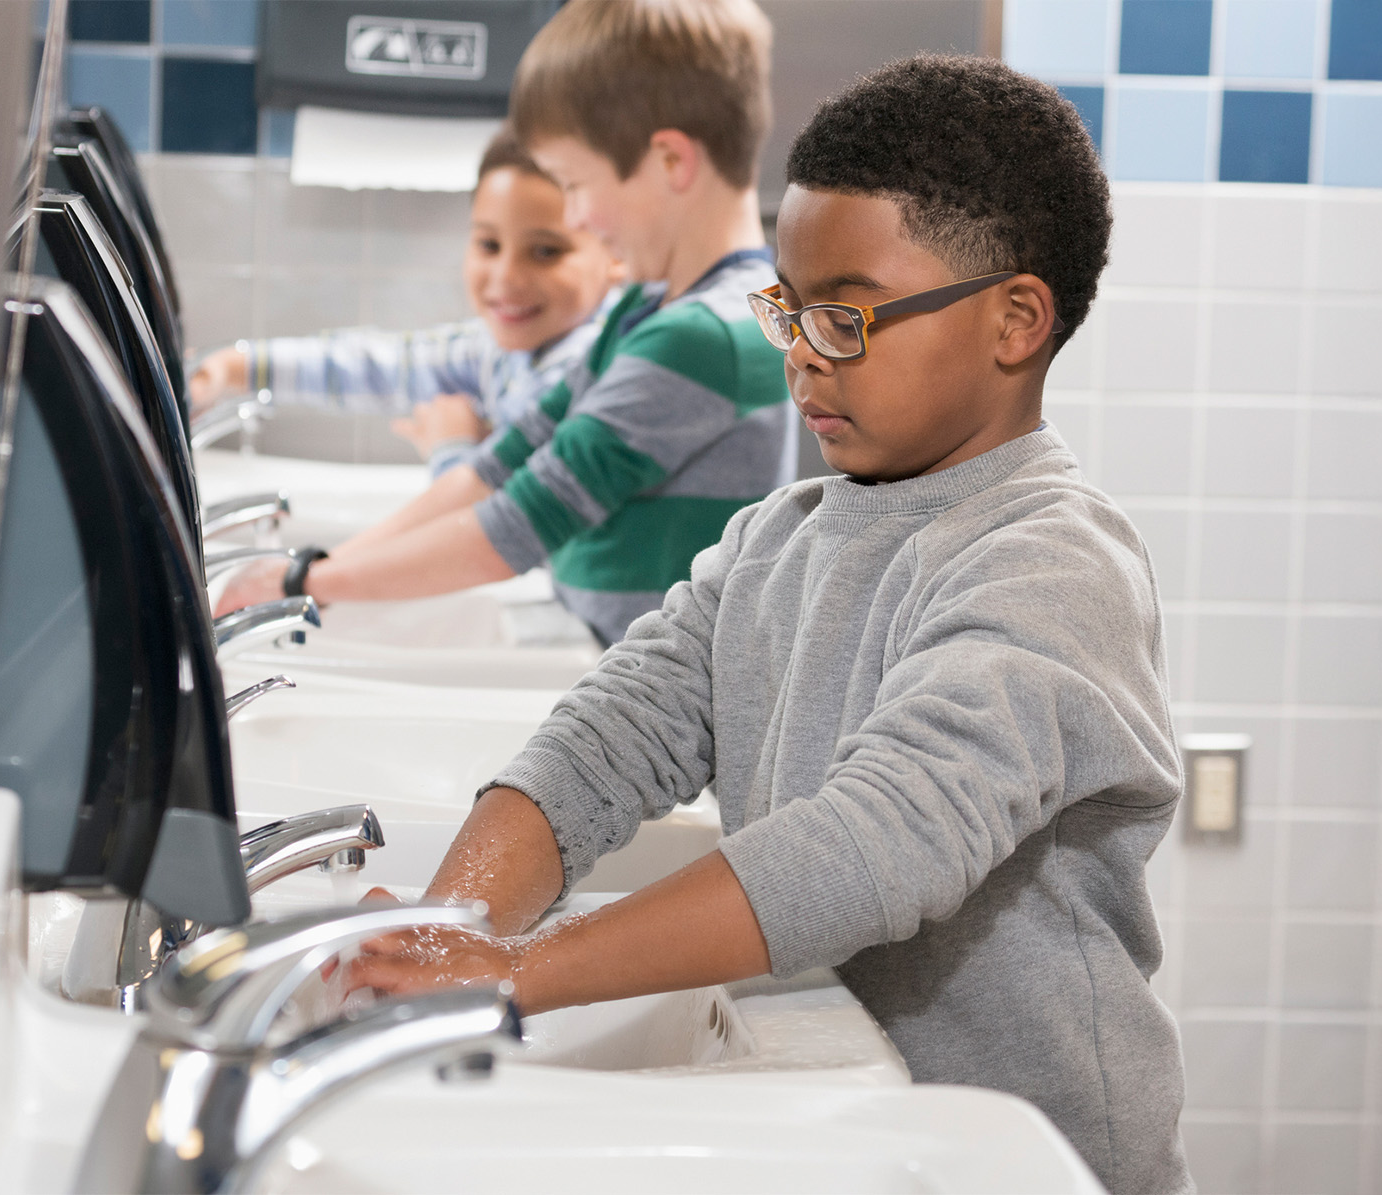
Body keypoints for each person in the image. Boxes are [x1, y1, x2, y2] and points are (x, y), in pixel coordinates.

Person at [345, 55, 1193, 1195]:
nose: (801, 350)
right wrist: (449, 926)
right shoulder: (778, 539)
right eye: (789, 307)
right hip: (857, 1130)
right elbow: (610, 735)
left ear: (1014, 321)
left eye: (845, 317)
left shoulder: (1050, 564)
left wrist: (514, 971)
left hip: (1023, 1164)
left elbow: (872, 843)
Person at [214, 0, 797, 648]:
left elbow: (521, 522)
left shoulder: (703, 337)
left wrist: (309, 580)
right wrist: (313, 570)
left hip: (664, 712)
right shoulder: (650, 310)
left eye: (575, 183)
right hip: (613, 662)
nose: (576, 218)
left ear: (669, 161)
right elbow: (504, 462)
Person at [189, 131, 620, 478]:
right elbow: (383, 365)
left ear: (618, 252)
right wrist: (232, 368)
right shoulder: (508, 349)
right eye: (489, 244)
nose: (505, 277)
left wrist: (451, 449)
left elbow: (491, 532)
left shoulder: (587, 371)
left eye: (546, 252)